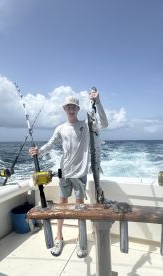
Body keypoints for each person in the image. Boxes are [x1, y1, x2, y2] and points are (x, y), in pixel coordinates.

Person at [29, 88, 108, 258]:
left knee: (79, 207)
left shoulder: (86, 126)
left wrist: (98, 102)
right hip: (64, 172)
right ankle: (59, 237)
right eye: (68, 107)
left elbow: (104, 123)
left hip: (80, 173)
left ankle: (81, 239)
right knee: (61, 206)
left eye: (74, 107)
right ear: (65, 110)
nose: (71, 110)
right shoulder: (60, 128)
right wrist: (38, 151)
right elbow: (50, 144)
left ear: (78, 109)